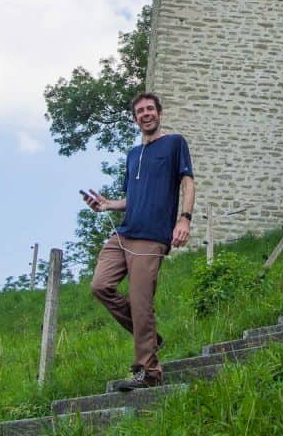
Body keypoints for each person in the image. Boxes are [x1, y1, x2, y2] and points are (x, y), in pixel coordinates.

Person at [84, 91, 195, 390]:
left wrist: (184, 218)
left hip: (152, 237)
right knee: (100, 285)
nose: (146, 114)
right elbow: (132, 199)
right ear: (135, 119)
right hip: (124, 233)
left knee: (141, 302)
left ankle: (148, 371)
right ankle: (149, 337)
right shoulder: (133, 155)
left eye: (150, 109)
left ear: (159, 113)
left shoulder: (175, 144)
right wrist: (107, 205)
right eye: (140, 111)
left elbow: (187, 181)